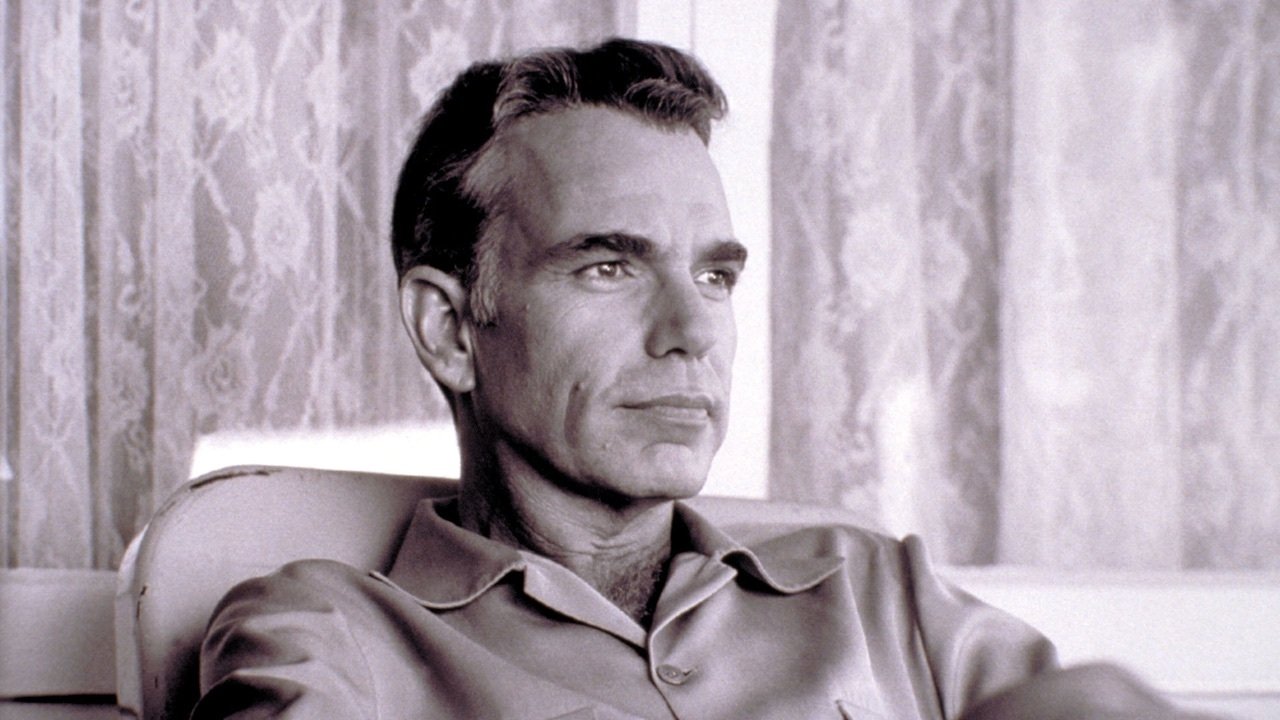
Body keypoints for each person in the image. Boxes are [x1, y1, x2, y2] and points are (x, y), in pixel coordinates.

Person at [193, 38, 1216, 719]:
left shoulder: (876, 590)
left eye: (715, 276)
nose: (691, 333)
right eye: (608, 266)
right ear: (451, 329)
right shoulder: (328, 637)